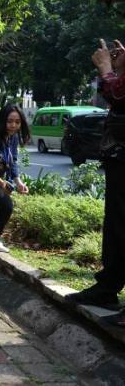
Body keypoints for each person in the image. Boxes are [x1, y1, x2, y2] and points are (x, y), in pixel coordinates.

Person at [66, 39, 125, 322]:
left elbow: (120, 95)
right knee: (116, 226)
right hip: (119, 157)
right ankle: (107, 288)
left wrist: (105, 69)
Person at [0, 104, 30, 253]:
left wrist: (19, 182)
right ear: (2, 120)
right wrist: (2, 183)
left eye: (17, 122)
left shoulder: (12, 137)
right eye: (10, 121)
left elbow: (12, 161)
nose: (13, 125)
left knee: (7, 206)